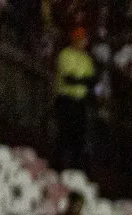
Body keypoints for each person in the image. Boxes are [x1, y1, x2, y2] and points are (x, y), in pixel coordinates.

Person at [54, 28, 96, 169]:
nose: (84, 42)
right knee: (63, 135)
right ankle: (58, 166)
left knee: (78, 138)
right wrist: (83, 80)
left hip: (80, 102)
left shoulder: (87, 59)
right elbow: (69, 78)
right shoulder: (66, 54)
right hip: (66, 100)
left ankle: (74, 169)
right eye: (82, 39)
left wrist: (83, 81)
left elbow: (91, 80)